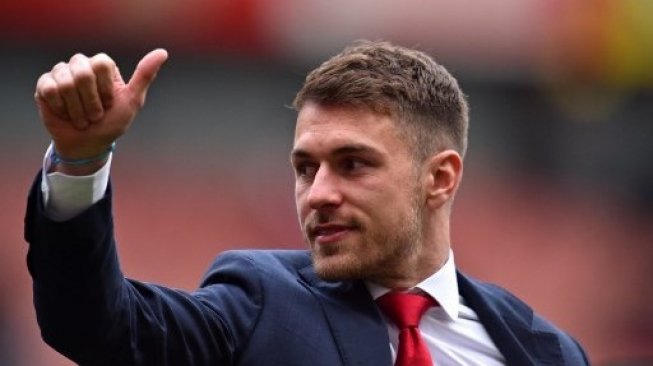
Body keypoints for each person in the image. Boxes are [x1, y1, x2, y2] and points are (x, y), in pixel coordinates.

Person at [26, 41, 589, 366]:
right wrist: (81, 162)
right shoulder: (260, 303)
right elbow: (96, 328)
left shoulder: (543, 350)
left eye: (353, 164)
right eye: (304, 168)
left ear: (439, 178)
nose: (317, 193)